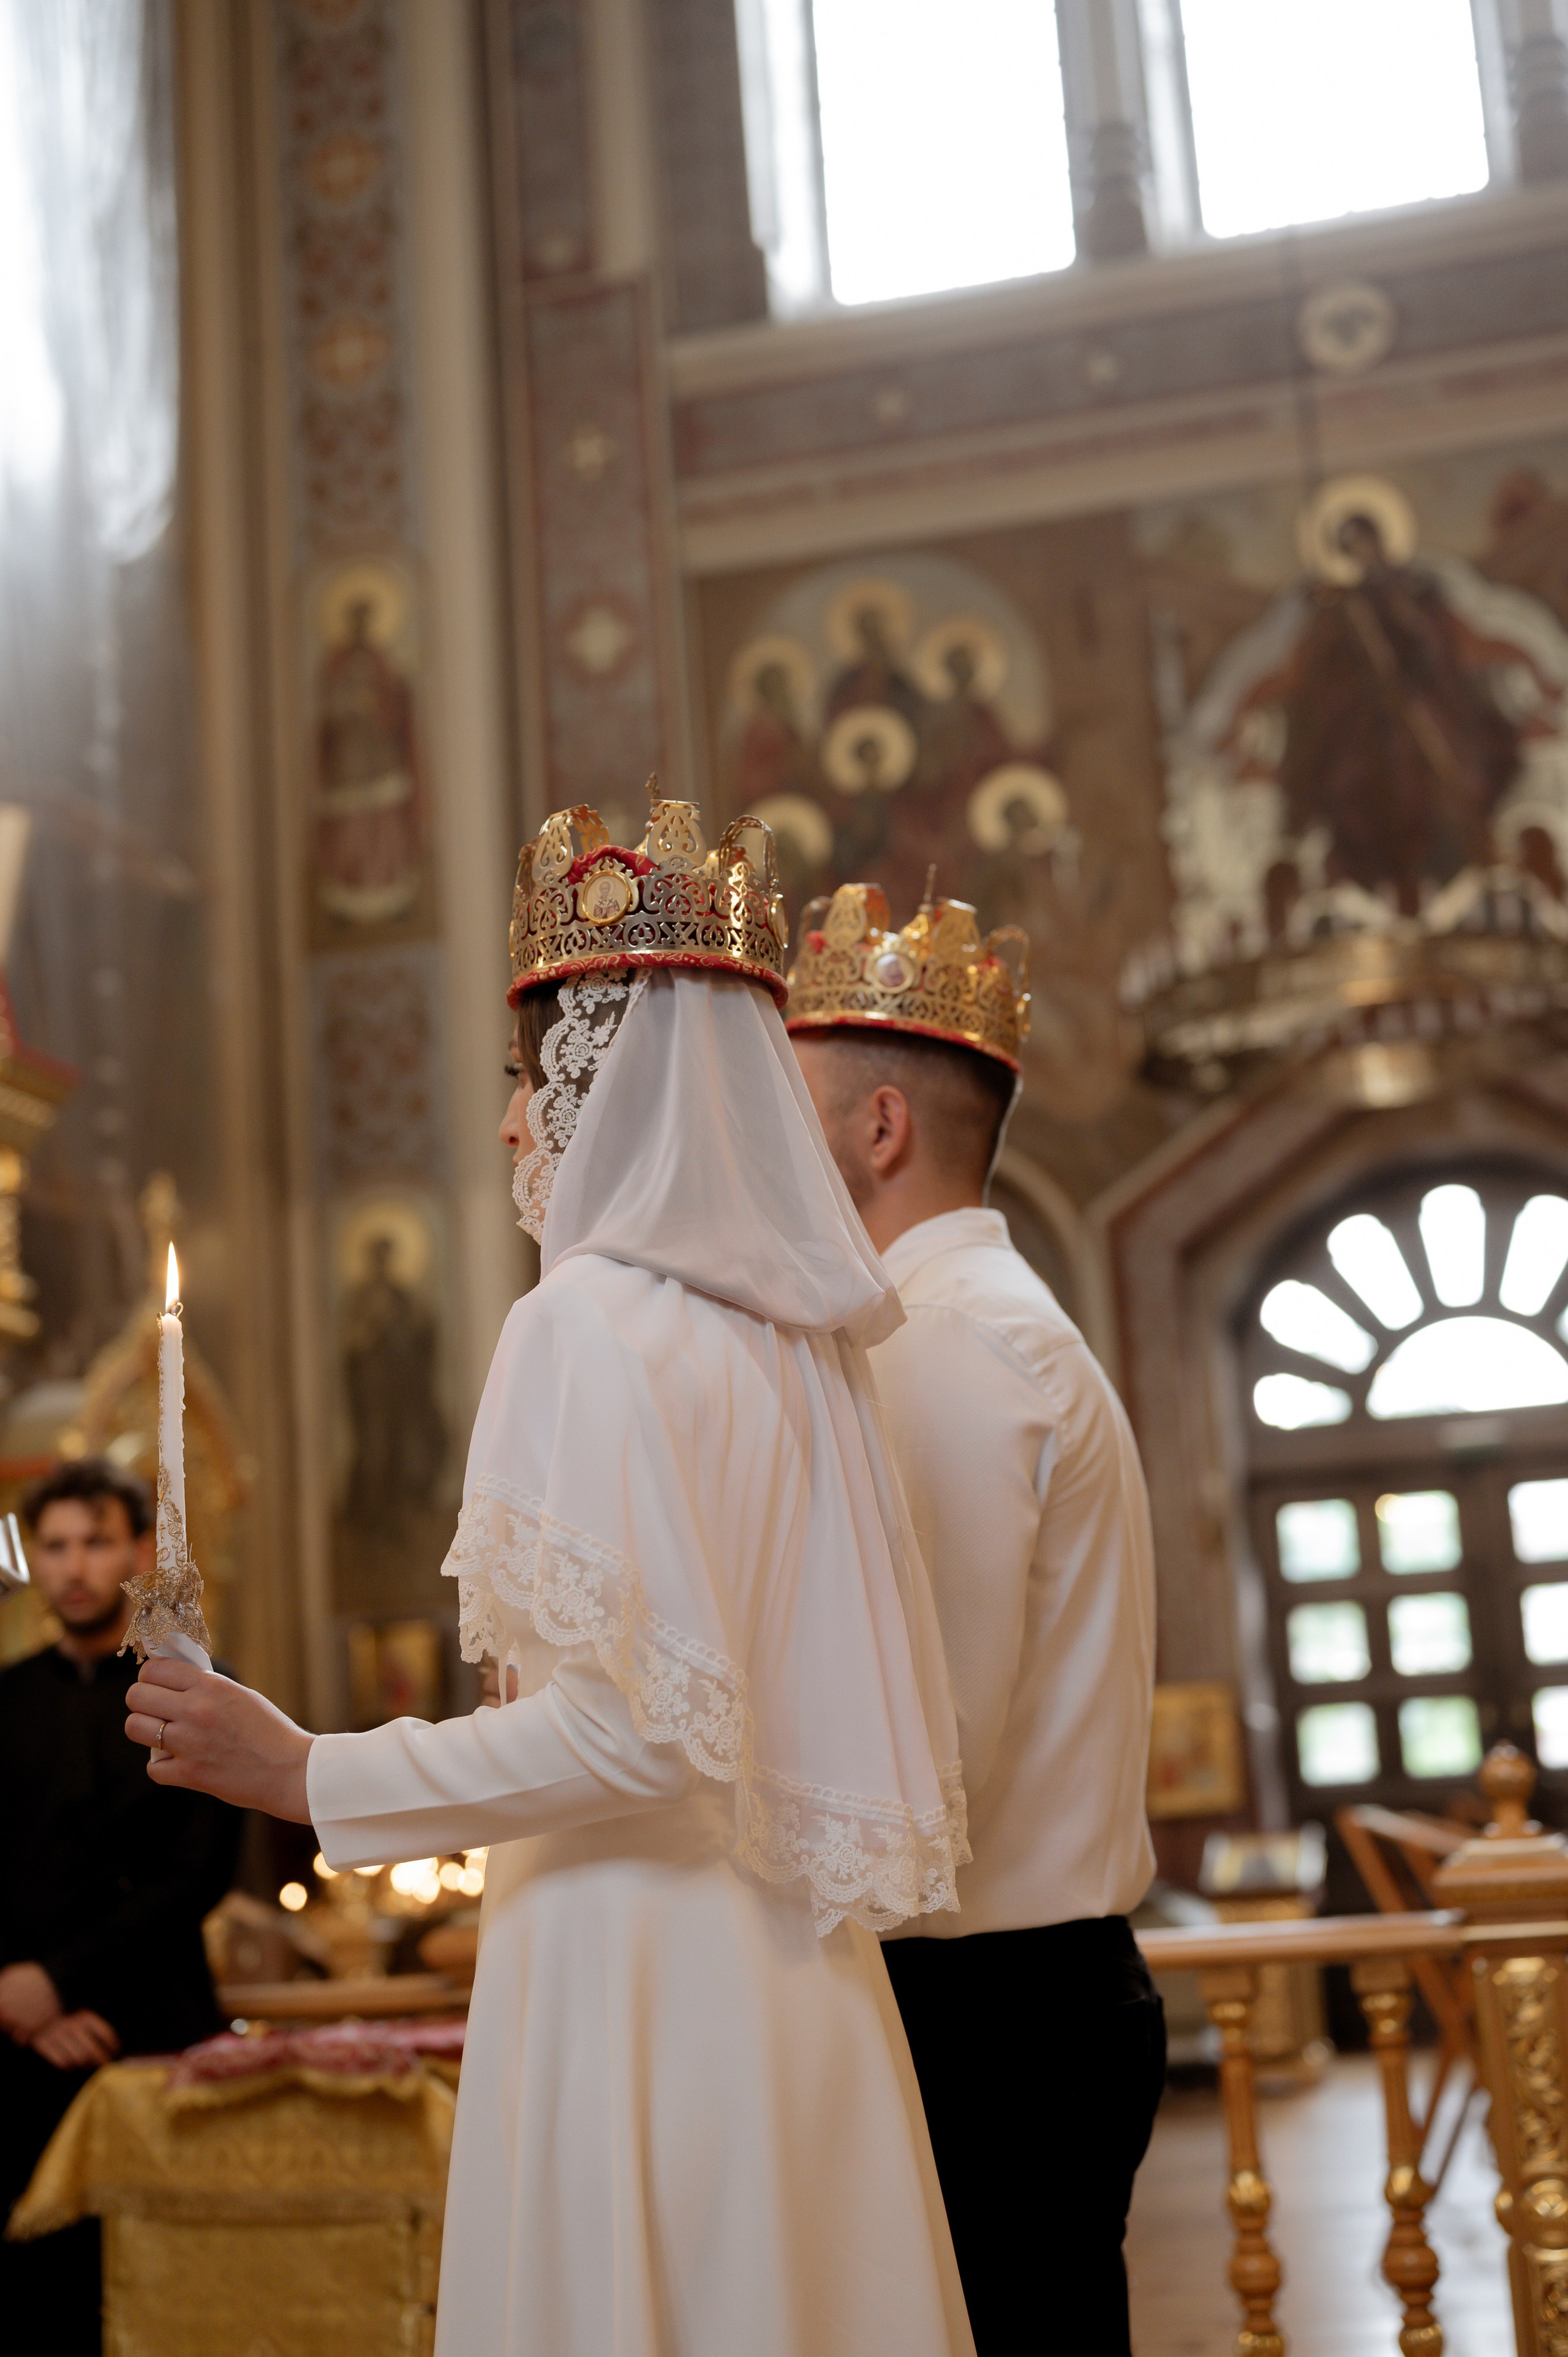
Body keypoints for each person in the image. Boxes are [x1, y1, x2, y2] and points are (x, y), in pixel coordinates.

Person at [126, 796, 976, 2357]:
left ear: (609, 1085)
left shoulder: (582, 1322)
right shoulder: (795, 1344)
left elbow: (644, 1731)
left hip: (630, 1972)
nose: (513, 1125)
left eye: (527, 1081)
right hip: (793, 1977)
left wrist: (309, 1767)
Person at [789, 880, 1163, 2356]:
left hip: (992, 2008)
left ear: (879, 1129)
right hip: (1017, 1997)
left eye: (788, 1107)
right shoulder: (978, 1326)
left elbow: (924, 1741)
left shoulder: (943, 1346)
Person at [1, 1458, 243, 2353]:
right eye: (54, 1546)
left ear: (140, 1549)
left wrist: (58, 1983)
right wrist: (16, 1997)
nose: (72, 1567)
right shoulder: (8, 1700)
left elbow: (195, 1876)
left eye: (96, 1542)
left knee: (162, 2296)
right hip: (17, 2049)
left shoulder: (203, 1696)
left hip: (150, 2028)